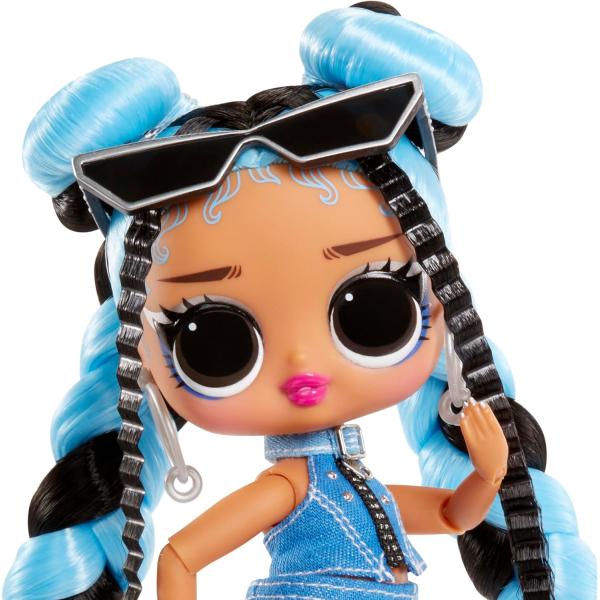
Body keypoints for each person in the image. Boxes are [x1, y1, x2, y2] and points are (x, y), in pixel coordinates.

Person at [3, 3, 595, 599]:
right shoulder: (288, 487)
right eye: (215, 343)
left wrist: (491, 474)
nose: (302, 363)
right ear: (144, 360)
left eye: (372, 311)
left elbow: (448, 516)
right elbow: (181, 557)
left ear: (441, 298)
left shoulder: (355, 486)